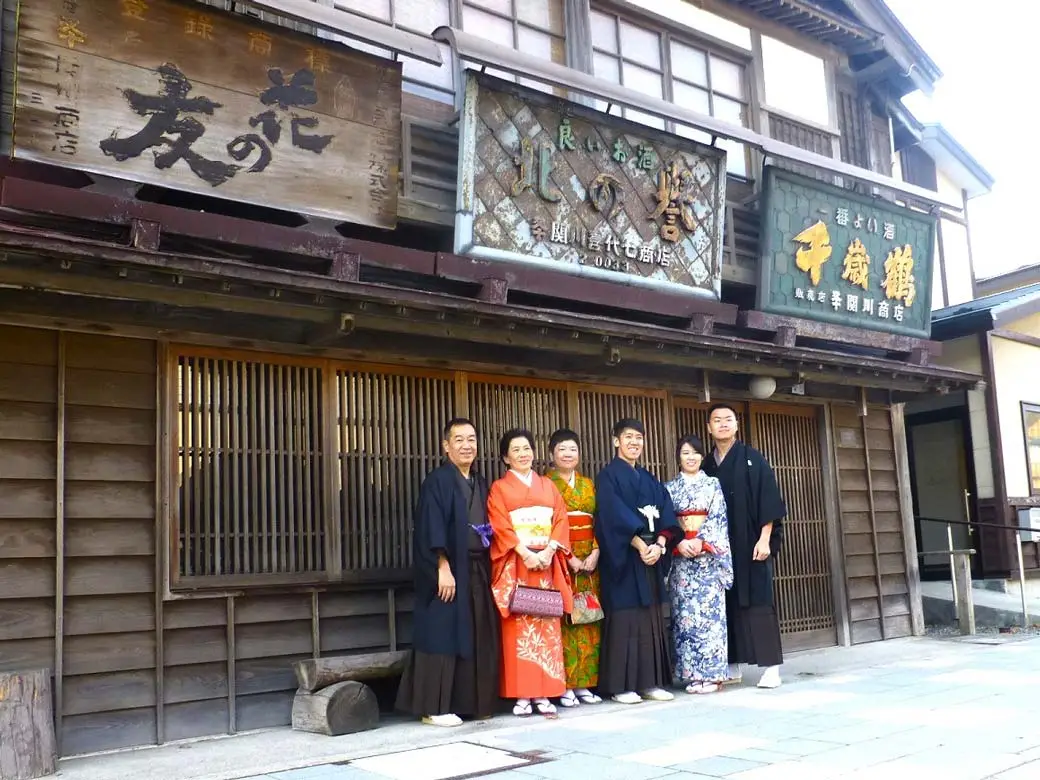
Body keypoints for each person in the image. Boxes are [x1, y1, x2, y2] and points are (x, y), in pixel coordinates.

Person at [396, 418, 501, 726]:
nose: (466, 445)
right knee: (442, 634)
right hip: (449, 569)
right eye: (459, 440)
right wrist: (442, 566)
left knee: (476, 632)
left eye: (471, 439)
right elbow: (430, 526)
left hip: (478, 568)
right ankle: (435, 707)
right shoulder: (438, 481)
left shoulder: (480, 483)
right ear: (446, 446)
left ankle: (470, 703)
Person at [594, 418, 680, 704]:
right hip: (625, 556)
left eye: (639, 437)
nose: (634, 442)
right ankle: (622, 686)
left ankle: (650, 682)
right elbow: (611, 514)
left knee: (652, 619)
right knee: (626, 618)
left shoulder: (651, 480)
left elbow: (666, 513)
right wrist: (641, 544)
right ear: (616, 441)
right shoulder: (608, 477)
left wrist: (661, 543)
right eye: (628, 437)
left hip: (652, 555)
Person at [488, 428, 573, 718]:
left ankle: (546, 692)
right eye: (516, 450)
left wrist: (549, 551)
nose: (523, 454)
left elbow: (560, 519)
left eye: (526, 449)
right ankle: (522, 694)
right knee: (519, 626)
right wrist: (525, 552)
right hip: (518, 563)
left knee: (546, 624)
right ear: (505, 458)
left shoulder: (548, 486)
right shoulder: (499, 489)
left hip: (545, 563)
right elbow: (500, 524)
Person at [702, 403, 787, 689]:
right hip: (719, 549)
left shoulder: (753, 458)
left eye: (728, 419)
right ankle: (731, 664)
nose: (723, 424)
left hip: (750, 543)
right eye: (717, 420)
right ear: (709, 427)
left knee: (758, 602)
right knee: (724, 604)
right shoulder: (706, 465)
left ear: (736, 426)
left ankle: (771, 667)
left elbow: (769, 500)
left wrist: (765, 538)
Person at [665, 435, 734, 695]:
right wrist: (680, 542)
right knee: (685, 618)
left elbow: (718, 519)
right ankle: (692, 674)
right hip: (682, 562)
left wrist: (702, 542)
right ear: (678, 457)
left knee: (711, 619)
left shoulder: (713, 485)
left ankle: (713, 675)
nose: (691, 458)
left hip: (708, 562)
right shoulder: (670, 488)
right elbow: (669, 521)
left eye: (695, 453)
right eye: (685, 453)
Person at [546, 429, 603, 708]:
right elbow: (549, 523)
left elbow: (598, 520)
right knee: (566, 619)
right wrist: (567, 555)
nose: (568, 454)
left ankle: (585, 683)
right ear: (551, 455)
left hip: (589, 559)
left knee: (589, 617)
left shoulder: (589, 484)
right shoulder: (546, 484)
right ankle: (565, 684)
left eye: (573, 449)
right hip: (560, 556)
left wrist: (595, 550)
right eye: (562, 449)